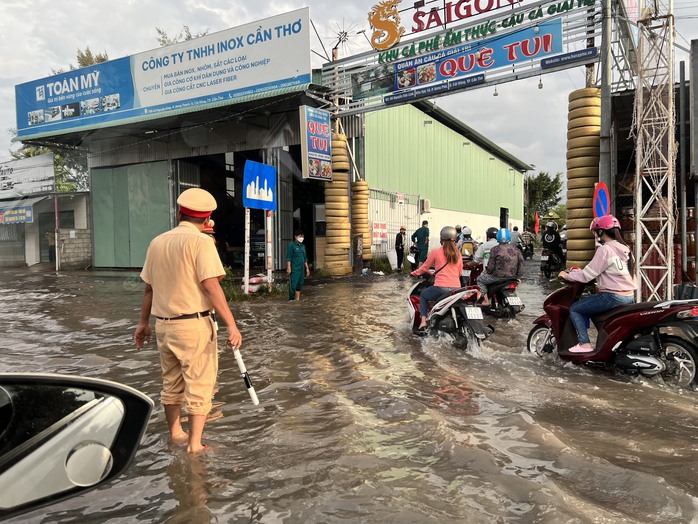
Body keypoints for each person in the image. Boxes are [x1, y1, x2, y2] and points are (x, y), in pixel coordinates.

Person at [133, 188, 243, 454]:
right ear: (207, 220)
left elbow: (148, 289)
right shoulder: (202, 243)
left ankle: (176, 434)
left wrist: (142, 323)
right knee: (200, 384)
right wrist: (232, 324)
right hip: (193, 325)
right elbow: (211, 285)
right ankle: (195, 445)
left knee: (171, 383)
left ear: (179, 213)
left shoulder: (157, 242)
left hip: (164, 326)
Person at [559, 214, 636, 353]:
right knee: (591, 309)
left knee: (576, 309)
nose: (596, 234)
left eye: (596, 231)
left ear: (601, 231)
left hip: (612, 296)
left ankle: (584, 344)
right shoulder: (624, 249)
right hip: (629, 296)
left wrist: (567, 275)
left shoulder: (605, 249)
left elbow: (587, 275)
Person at [410, 226, 463, 330]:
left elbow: (424, 268)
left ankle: (423, 322)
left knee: (424, 296)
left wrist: (414, 273)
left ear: (441, 239)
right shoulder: (458, 254)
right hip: (456, 289)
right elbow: (460, 272)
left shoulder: (435, 252)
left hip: (441, 288)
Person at [477, 228, 524, 306]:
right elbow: (522, 263)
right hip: (512, 278)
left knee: (480, 279)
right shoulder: (516, 249)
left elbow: (491, 267)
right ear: (509, 238)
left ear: (497, 238)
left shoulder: (495, 249)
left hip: (497, 277)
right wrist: (518, 276)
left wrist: (487, 271)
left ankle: (486, 301)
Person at [287, 230, 310, 301]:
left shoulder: (303, 246)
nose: (301, 238)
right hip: (294, 269)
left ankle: (297, 300)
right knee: (293, 285)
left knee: (299, 285)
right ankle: (291, 300)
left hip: (301, 269)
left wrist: (307, 269)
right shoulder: (291, 246)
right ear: (295, 237)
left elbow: (305, 258)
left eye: (302, 236)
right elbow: (289, 258)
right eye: (300, 236)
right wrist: (289, 268)